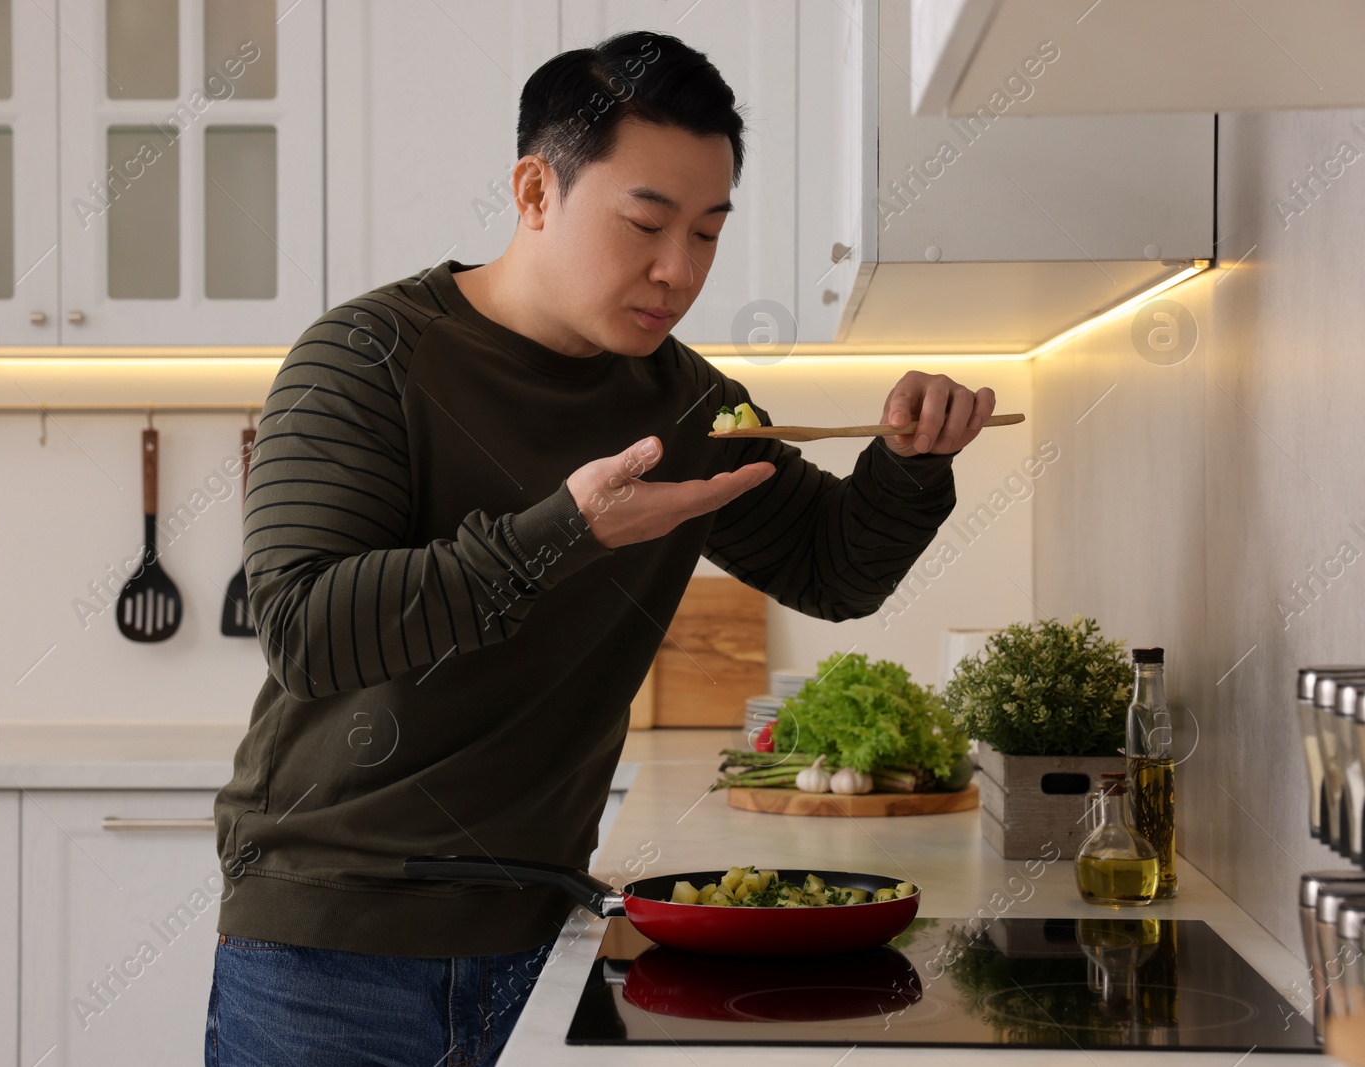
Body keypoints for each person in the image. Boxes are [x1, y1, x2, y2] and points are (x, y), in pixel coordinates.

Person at [204, 28, 995, 1067]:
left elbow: (832, 569)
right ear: (536, 191)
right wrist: (563, 531)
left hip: (543, 929)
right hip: (334, 950)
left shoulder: (684, 398)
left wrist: (913, 460)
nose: (678, 271)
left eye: (708, 232)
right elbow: (307, 630)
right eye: (645, 223)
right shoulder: (367, 357)